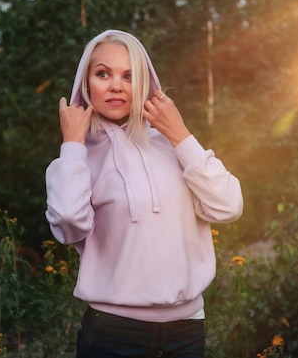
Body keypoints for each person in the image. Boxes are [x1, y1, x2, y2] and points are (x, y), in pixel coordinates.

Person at [45, 29, 243, 358]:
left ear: (145, 85)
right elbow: (68, 224)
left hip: (186, 330)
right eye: (103, 73)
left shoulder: (171, 146)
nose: (116, 86)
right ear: (86, 83)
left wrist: (180, 134)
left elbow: (228, 206)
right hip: (113, 333)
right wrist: (73, 145)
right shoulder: (78, 157)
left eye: (129, 76)